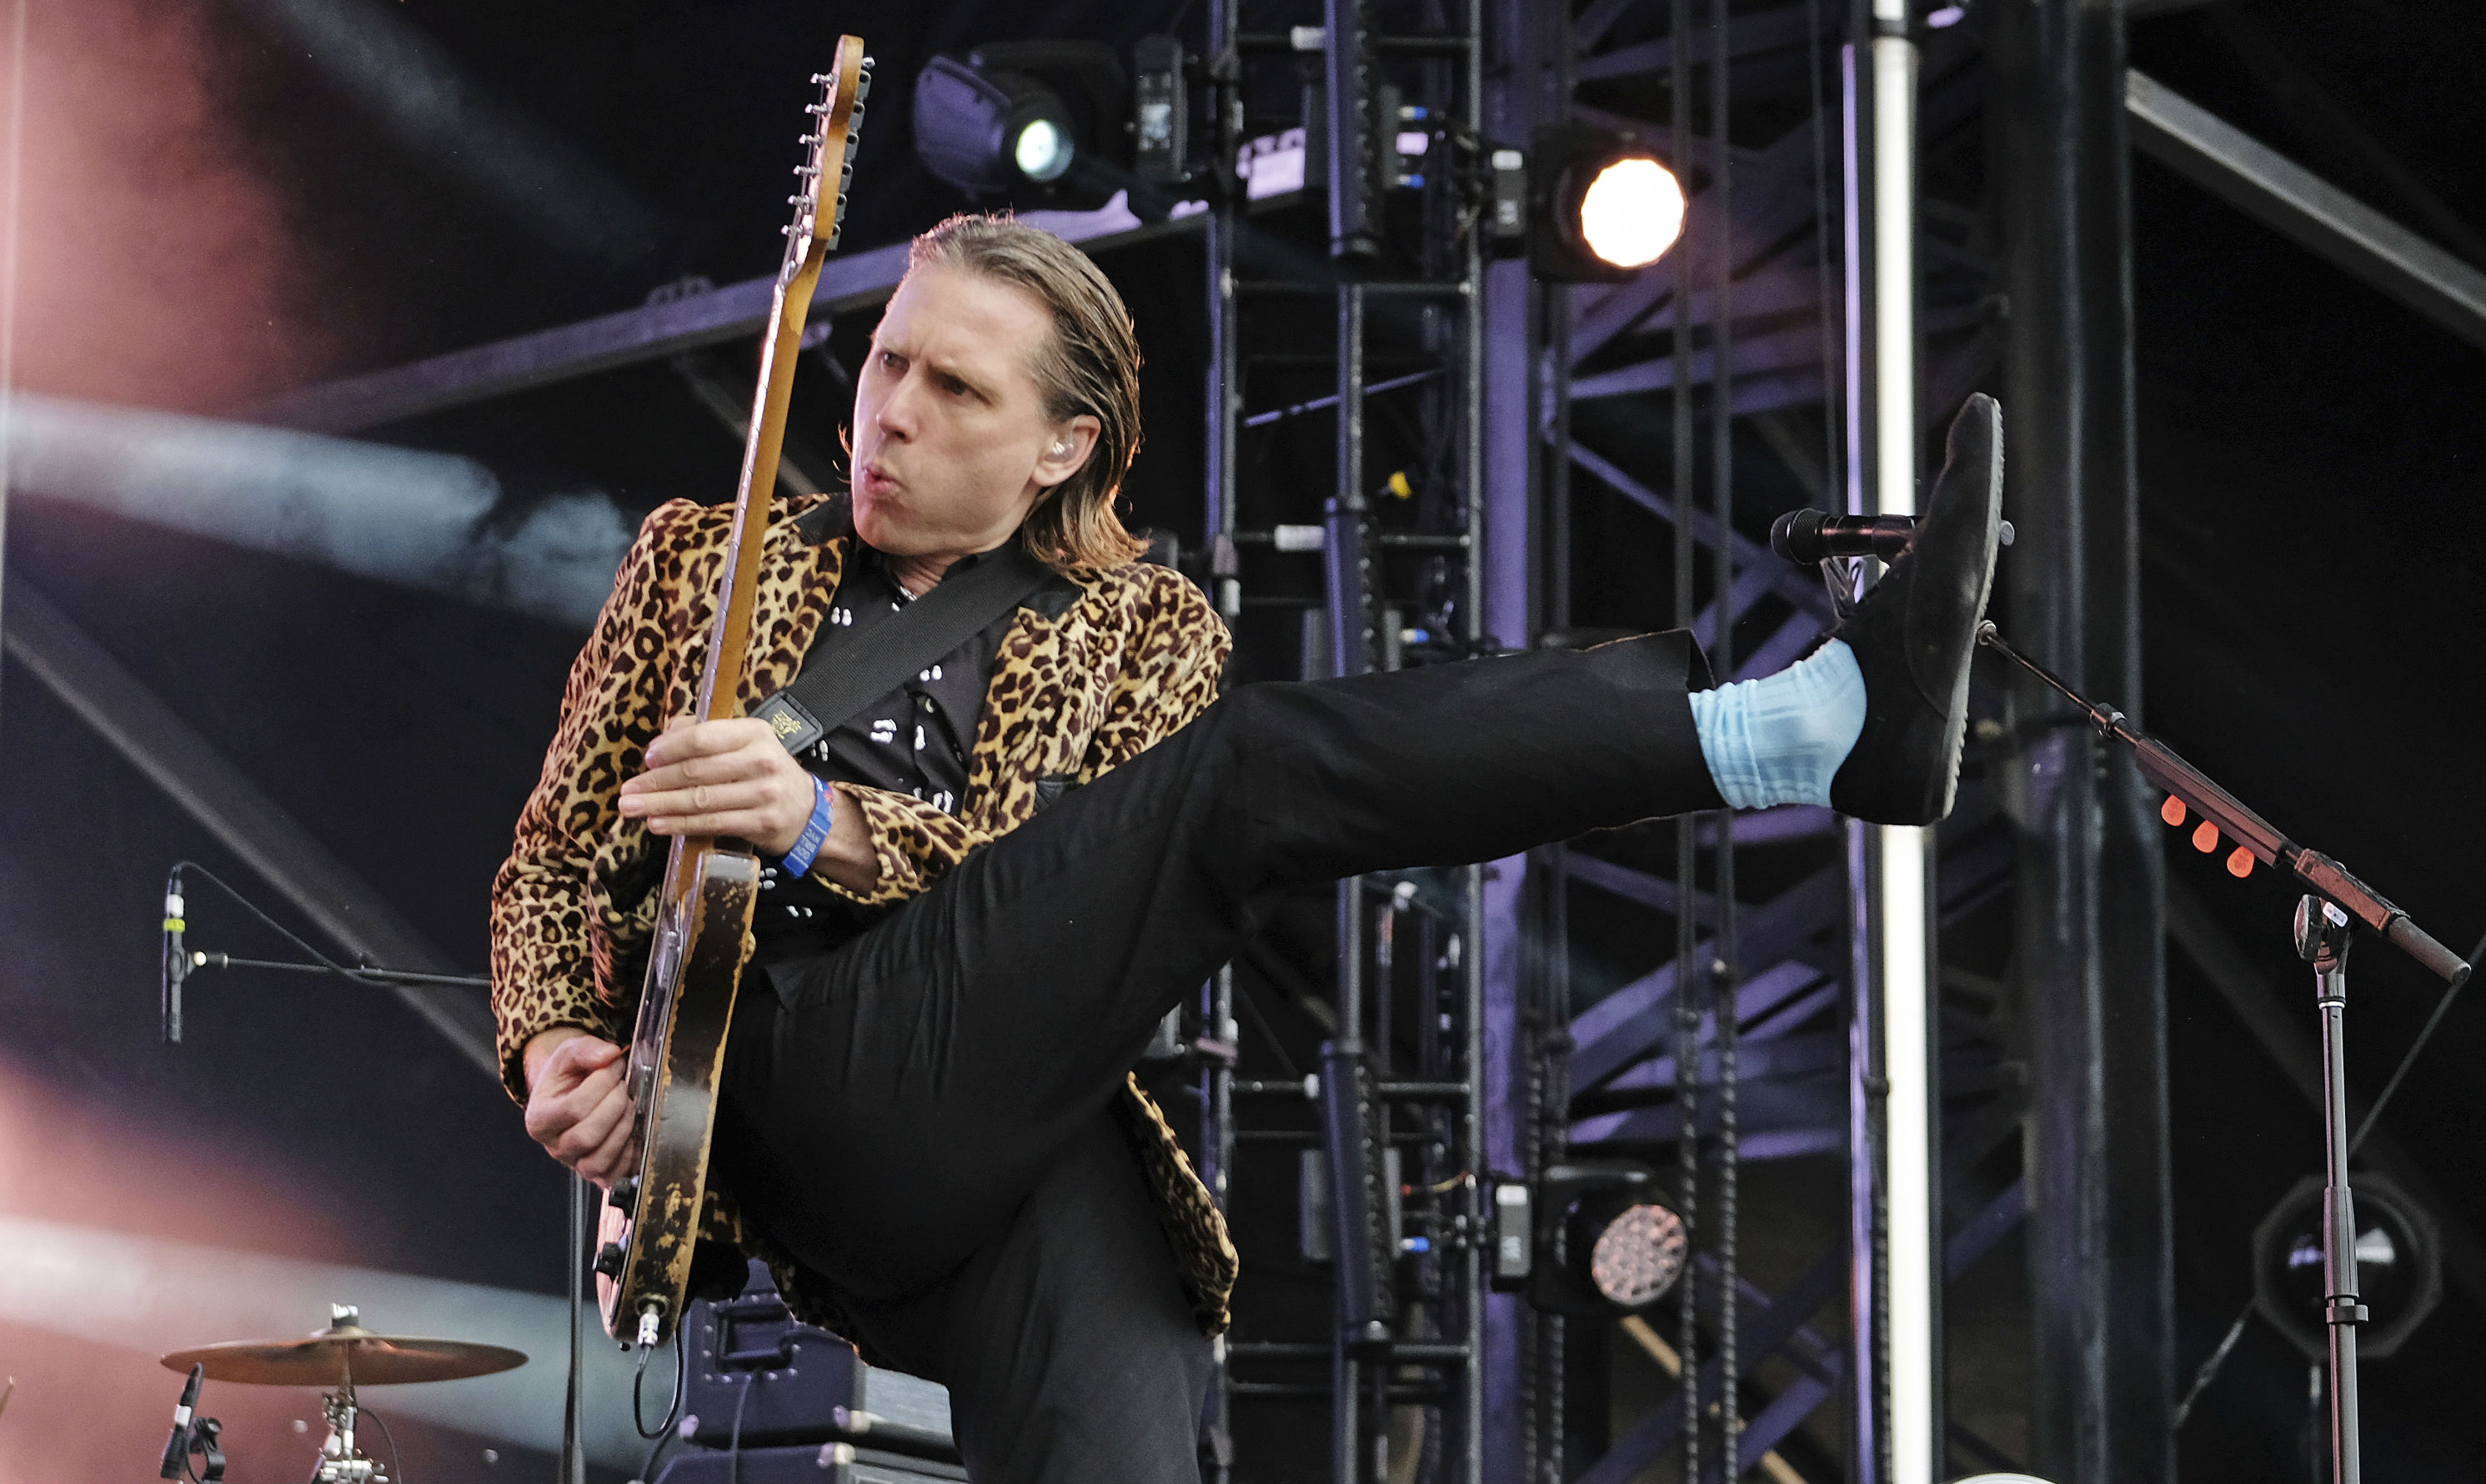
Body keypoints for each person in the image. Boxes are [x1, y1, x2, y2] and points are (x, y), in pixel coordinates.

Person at [491, 213, 2002, 1482]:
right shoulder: (706, 556)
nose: (888, 409)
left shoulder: (1145, 630)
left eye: (955, 388)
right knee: (1254, 774)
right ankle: (1783, 735)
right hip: (773, 1085)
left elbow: (1064, 878)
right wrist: (557, 1039)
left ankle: (1808, 735)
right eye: (888, 355)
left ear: (1061, 447)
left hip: (996, 1103)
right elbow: (554, 859)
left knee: (1128, 1394)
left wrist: (823, 821)